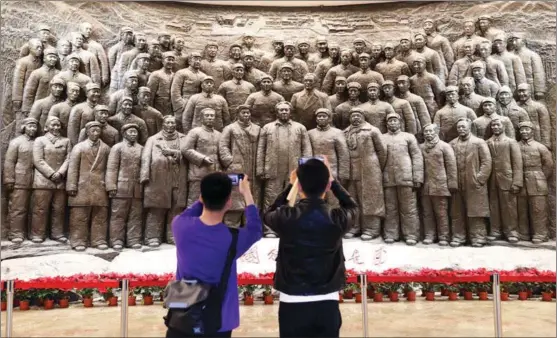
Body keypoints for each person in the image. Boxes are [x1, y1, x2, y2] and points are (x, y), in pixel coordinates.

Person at [263, 157, 357, 338]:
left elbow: (268, 212)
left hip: (292, 298)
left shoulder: (286, 217)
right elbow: (352, 206)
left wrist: (289, 187)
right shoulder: (338, 218)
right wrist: (334, 182)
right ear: (327, 186)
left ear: (299, 186)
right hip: (327, 298)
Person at [167, 172, 262, 338]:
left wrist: (207, 193)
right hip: (219, 320)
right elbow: (255, 229)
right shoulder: (233, 238)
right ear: (229, 203)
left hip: (183, 317)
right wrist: (246, 193)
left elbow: (190, 212)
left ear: (202, 197)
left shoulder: (180, 226)